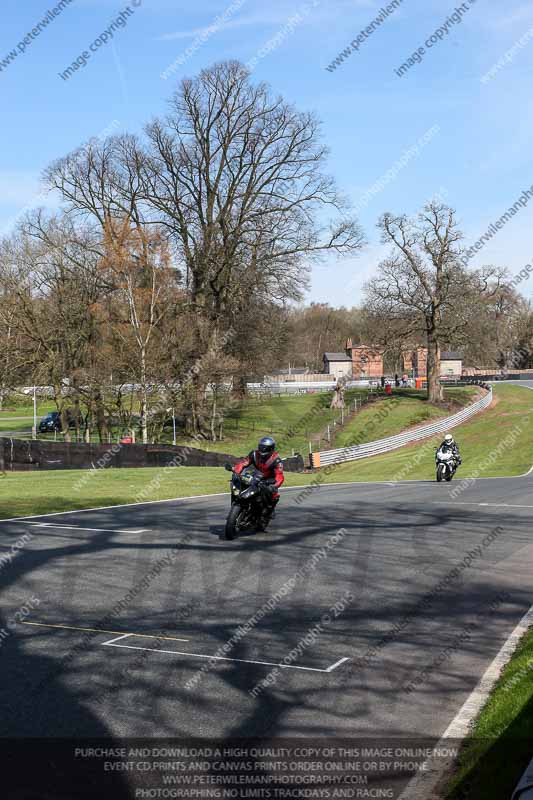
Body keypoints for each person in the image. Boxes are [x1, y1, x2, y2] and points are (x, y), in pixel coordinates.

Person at [234, 436, 284, 524]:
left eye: (265, 448)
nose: (262, 450)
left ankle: (268, 511)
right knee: (240, 483)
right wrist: (236, 471)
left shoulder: (276, 460)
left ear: (271, 448)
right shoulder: (254, 454)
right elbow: (243, 463)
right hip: (256, 475)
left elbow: (279, 476)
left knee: (272, 494)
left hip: (269, 480)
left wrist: (274, 485)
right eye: (261, 447)